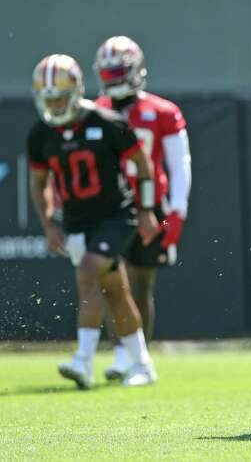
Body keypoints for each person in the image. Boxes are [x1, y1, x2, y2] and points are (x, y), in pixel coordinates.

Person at [27, 54, 159, 388]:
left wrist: (145, 211)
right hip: (77, 220)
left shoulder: (105, 121)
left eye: (59, 97)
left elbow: (143, 166)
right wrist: (49, 224)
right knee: (114, 290)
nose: (55, 105)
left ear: (75, 91)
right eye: (49, 98)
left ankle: (83, 360)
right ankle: (142, 364)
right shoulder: (41, 134)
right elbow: (38, 183)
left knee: (88, 271)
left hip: (116, 216)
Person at [93, 36, 192, 381]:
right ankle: (123, 353)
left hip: (151, 204)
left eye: (118, 70)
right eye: (108, 71)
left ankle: (140, 357)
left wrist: (177, 210)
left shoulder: (162, 111)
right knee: (110, 282)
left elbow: (179, 164)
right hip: (110, 206)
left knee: (140, 283)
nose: (112, 77)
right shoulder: (96, 110)